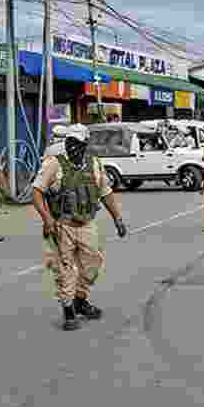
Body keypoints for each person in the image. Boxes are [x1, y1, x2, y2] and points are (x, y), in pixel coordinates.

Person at [31, 124, 126, 331]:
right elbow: (37, 192)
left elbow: (105, 192)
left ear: (85, 144)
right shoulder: (53, 164)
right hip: (62, 225)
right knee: (66, 270)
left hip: (87, 224)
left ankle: (80, 300)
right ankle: (68, 310)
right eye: (69, 142)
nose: (72, 147)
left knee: (93, 264)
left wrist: (117, 218)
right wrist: (47, 219)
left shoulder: (94, 164)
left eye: (77, 143)